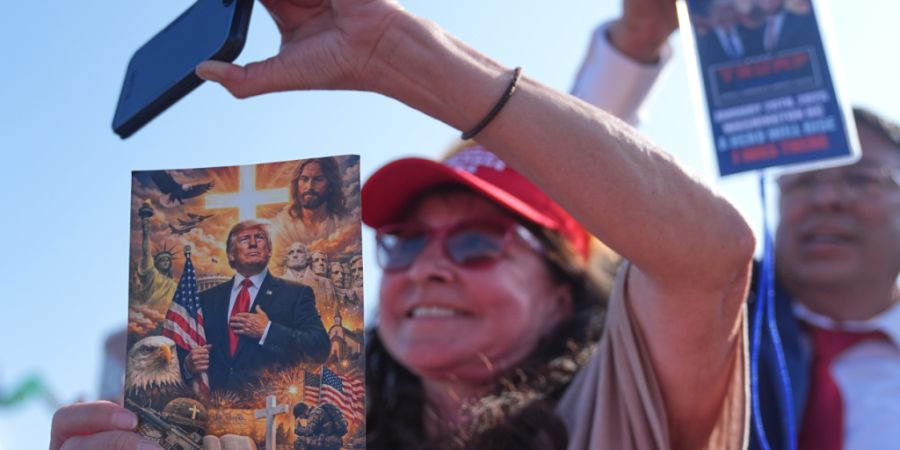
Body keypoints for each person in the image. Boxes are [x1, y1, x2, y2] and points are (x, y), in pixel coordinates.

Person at [49, 1, 755, 449]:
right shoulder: (303, 425)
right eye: (404, 241)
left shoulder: (619, 412)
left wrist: (395, 53)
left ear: (562, 289)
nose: (429, 265)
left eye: (479, 242)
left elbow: (710, 253)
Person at [570, 3, 900, 450]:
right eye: (803, 180)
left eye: (862, 179)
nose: (826, 198)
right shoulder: (706, 306)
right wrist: (636, 43)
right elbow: (562, 210)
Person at [180, 220, 330, 393]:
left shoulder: (296, 294)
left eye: (259, 238)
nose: (253, 243)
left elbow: (320, 348)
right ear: (231, 254)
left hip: (270, 410)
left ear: (269, 251)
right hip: (215, 410)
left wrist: (268, 331)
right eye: (244, 239)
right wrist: (188, 365)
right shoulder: (206, 299)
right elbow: (182, 348)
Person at [270, 157, 358, 266]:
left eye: (318, 179)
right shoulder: (281, 227)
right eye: (304, 179)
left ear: (331, 185)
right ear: (296, 183)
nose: (309, 186)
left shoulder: (345, 224)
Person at [282, 241, 339, 309]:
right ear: (287, 258)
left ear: (307, 256)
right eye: (291, 252)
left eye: (299, 251)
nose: (295, 255)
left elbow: (333, 312)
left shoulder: (325, 283)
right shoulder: (277, 284)